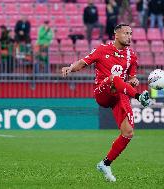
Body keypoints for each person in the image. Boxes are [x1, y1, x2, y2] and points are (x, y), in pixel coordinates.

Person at [61, 24, 151, 182]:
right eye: (125, 33)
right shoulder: (102, 49)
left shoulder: (131, 55)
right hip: (102, 92)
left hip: (119, 95)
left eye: (131, 33)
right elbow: (82, 63)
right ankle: (139, 98)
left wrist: (133, 79)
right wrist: (70, 67)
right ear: (116, 35)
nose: (129, 36)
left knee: (128, 132)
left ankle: (105, 163)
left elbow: (131, 77)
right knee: (113, 78)